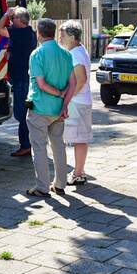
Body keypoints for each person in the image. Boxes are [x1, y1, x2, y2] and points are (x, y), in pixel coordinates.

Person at [25, 18, 77, 197]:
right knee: (58, 145)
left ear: (39, 33)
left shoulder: (36, 54)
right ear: (53, 32)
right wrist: (64, 104)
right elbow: (73, 82)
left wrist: (58, 93)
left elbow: (40, 83)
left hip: (39, 108)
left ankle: (42, 187)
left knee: (39, 147)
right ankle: (60, 184)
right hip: (58, 111)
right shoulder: (66, 54)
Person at [0, 6, 37, 157]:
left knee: (21, 114)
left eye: (13, 19)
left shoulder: (19, 32)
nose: (10, 22)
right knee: (26, 112)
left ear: (19, 20)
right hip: (26, 77)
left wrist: (6, 13)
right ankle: (29, 143)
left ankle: (25, 145)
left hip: (21, 79)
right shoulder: (30, 32)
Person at [57, 20, 93, 184]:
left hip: (77, 103)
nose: (60, 37)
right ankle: (80, 170)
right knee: (81, 138)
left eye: (62, 34)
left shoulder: (74, 54)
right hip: (82, 101)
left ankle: (78, 174)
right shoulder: (80, 50)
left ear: (72, 36)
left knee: (78, 138)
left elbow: (81, 80)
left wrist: (67, 98)